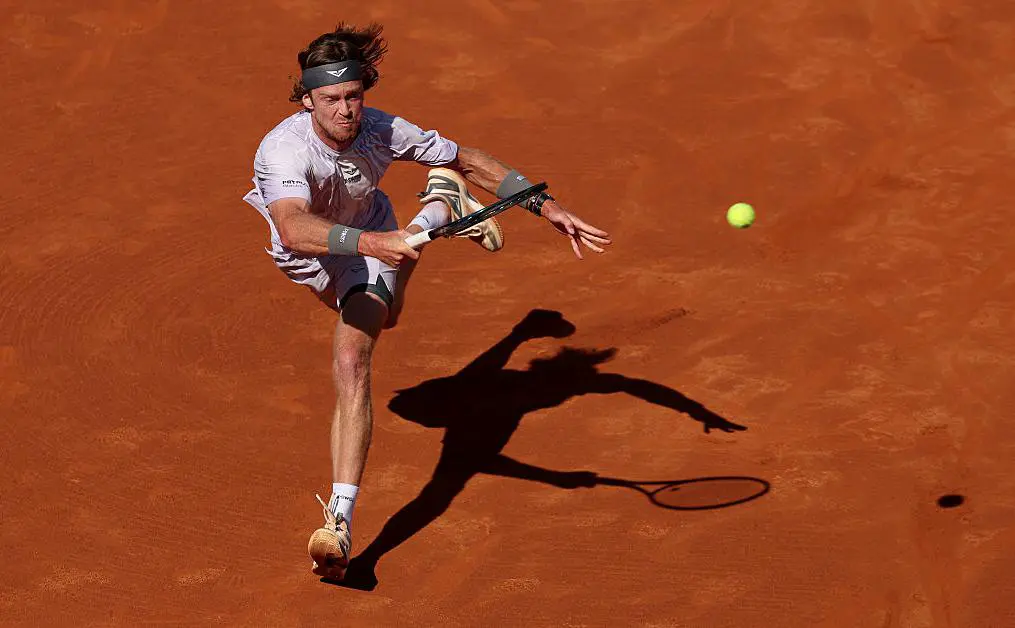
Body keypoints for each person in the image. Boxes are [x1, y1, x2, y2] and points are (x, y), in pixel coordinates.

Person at [242, 22, 612, 582]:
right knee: (391, 317)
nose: (346, 111)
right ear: (307, 99)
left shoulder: (382, 129)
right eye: (331, 100)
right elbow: (293, 228)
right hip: (319, 251)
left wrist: (545, 205)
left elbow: (470, 157)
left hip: (370, 242)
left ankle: (339, 526)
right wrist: (380, 244)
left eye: (354, 97)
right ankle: (439, 209)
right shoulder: (283, 149)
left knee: (352, 357)